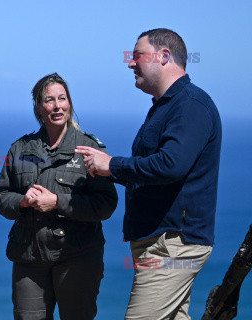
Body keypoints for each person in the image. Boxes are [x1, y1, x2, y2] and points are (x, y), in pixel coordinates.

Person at [75, 28, 222, 320]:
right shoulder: (166, 107)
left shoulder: (191, 105)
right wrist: (105, 168)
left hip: (172, 244)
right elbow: (154, 168)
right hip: (162, 242)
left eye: (137, 56)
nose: (131, 63)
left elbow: (170, 165)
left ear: (164, 56)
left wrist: (112, 165)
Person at [0, 73, 118, 320]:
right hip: (28, 257)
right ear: (39, 108)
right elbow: (1, 195)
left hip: (77, 258)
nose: (57, 105)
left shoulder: (89, 149)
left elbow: (105, 205)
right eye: (49, 100)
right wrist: (22, 201)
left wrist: (58, 202)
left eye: (62, 98)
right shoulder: (20, 148)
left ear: (69, 103)